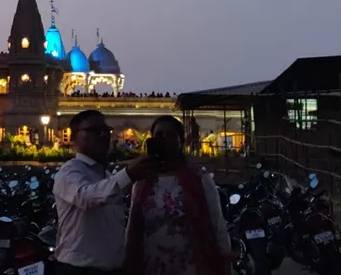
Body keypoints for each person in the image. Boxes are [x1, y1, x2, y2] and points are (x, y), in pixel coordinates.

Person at [53, 110, 160, 275]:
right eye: (94, 131)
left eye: (106, 130)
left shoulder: (107, 176)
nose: (103, 135)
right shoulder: (69, 171)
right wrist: (129, 174)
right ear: (74, 138)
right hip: (78, 270)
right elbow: (86, 197)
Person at [126, 116, 230, 275]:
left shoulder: (200, 181)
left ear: (181, 141)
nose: (164, 139)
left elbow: (217, 225)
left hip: (190, 265)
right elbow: (132, 227)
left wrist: (224, 262)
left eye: (170, 135)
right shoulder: (141, 183)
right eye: (159, 135)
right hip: (151, 265)